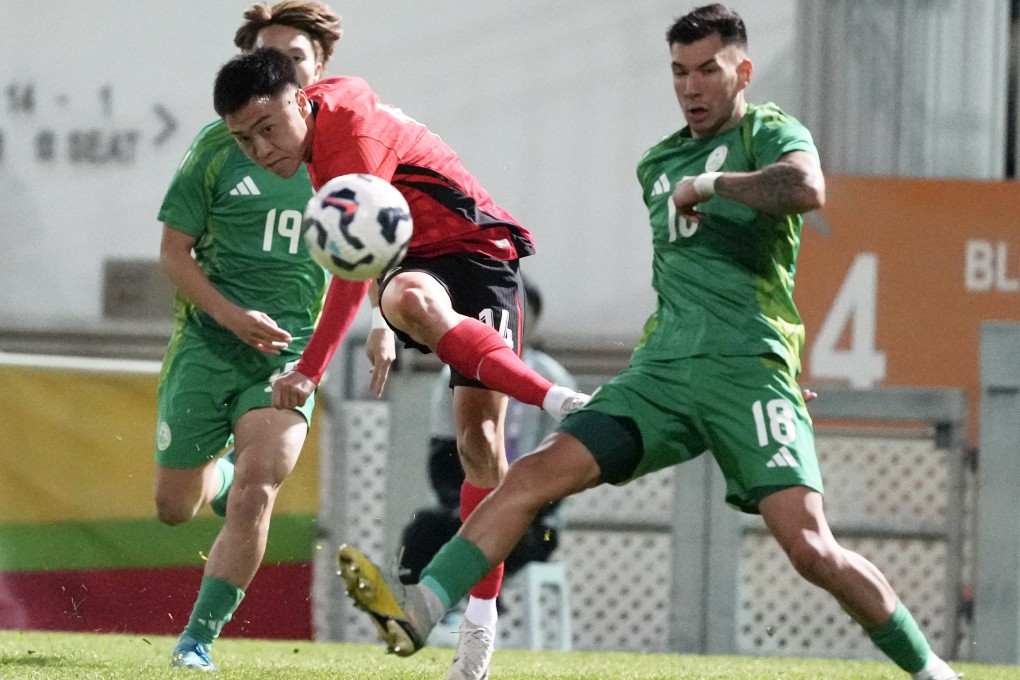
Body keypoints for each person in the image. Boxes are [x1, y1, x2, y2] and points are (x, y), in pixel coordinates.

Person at [331, 5, 962, 680]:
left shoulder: (770, 132)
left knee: (811, 551)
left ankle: (931, 672)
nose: (691, 87)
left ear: (742, 71)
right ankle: (420, 613)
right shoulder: (658, 164)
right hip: (660, 375)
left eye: (707, 71)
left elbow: (807, 188)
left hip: (747, 373)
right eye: (679, 72)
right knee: (528, 479)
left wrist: (714, 185)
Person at [212, 45, 589, 680]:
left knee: (481, 445)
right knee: (411, 295)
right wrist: (390, 320)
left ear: (301, 99)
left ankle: (476, 636)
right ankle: (555, 401)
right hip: (418, 264)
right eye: (244, 139)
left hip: (479, 250)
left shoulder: (348, 142)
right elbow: (370, 255)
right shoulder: (321, 129)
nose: (261, 148)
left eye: (268, 128)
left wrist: (311, 366)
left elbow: (348, 271)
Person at [155, 3, 395, 671]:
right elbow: (173, 252)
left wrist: (383, 322)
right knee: (174, 508)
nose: (280, 67)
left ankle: (197, 642)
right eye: (268, 55)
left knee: (262, 484)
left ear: (314, 71)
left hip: (292, 351)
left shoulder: (346, 149)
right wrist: (231, 317)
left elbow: (371, 247)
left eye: (294, 57)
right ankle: (222, 474)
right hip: (208, 343)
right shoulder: (217, 148)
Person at [398, 277, 575, 595]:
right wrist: (461, 501)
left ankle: (475, 608)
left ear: (533, 319)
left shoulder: (556, 380)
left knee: (507, 533)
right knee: (425, 528)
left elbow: (565, 466)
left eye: (519, 312)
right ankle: (408, 610)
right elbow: (443, 452)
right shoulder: (459, 373)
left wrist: (524, 502)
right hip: (470, 504)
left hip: (533, 515)